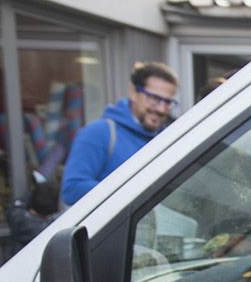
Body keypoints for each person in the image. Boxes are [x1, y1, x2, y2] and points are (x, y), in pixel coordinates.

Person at [61, 61, 178, 206]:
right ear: (134, 93)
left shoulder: (168, 139)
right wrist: (129, 193)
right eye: (154, 99)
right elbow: (72, 189)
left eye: (167, 102)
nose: (161, 109)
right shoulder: (99, 133)